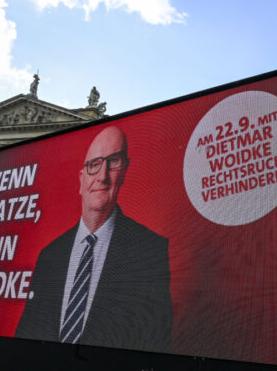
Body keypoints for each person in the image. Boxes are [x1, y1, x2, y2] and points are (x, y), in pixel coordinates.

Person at [15, 127, 173, 352]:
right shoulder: (50, 255)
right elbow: (26, 336)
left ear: (125, 170)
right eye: (94, 165)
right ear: (81, 179)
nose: (102, 176)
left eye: (113, 161)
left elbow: (154, 341)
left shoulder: (149, 250)